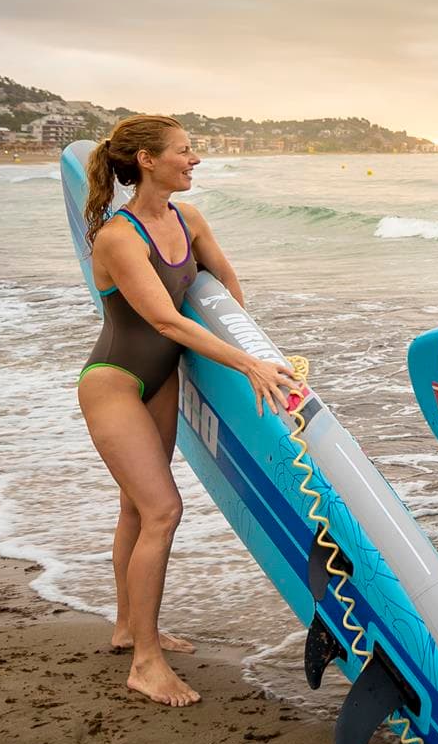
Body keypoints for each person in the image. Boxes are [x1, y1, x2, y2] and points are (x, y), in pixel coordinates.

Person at [78, 114, 295, 706]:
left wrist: (255, 347)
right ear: (147, 160)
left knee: (136, 507)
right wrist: (245, 366)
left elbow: (224, 283)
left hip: (162, 380)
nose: (194, 159)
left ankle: (129, 628)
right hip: (117, 383)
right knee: (162, 510)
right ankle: (145, 663)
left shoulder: (188, 218)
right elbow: (165, 320)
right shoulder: (119, 237)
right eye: (184, 150)